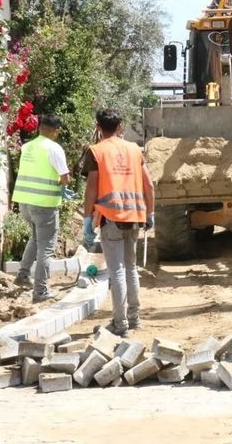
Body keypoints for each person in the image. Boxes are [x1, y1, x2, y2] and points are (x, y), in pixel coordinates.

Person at [82, 109, 155, 338]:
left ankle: (120, 323)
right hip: (134, 216)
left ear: (98, 125)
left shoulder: (96, 151)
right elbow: (149, 186)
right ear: (120, 126)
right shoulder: (134, 149)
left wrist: (87, 218)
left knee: (117, 271)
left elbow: (92, 187)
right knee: (131, 268)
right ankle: (134, 318)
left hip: (111, 217)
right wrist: (150, 213)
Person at [12, 114, 70, 303]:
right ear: (56, 130)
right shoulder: (54, 148)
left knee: (36, 238)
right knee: (46, 247)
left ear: (40, 128)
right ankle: (40, 291)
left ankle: (22, 275)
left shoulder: (27, 147)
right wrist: (65, 188)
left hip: (24, 203)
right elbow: (64, 177)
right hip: (44, 204)